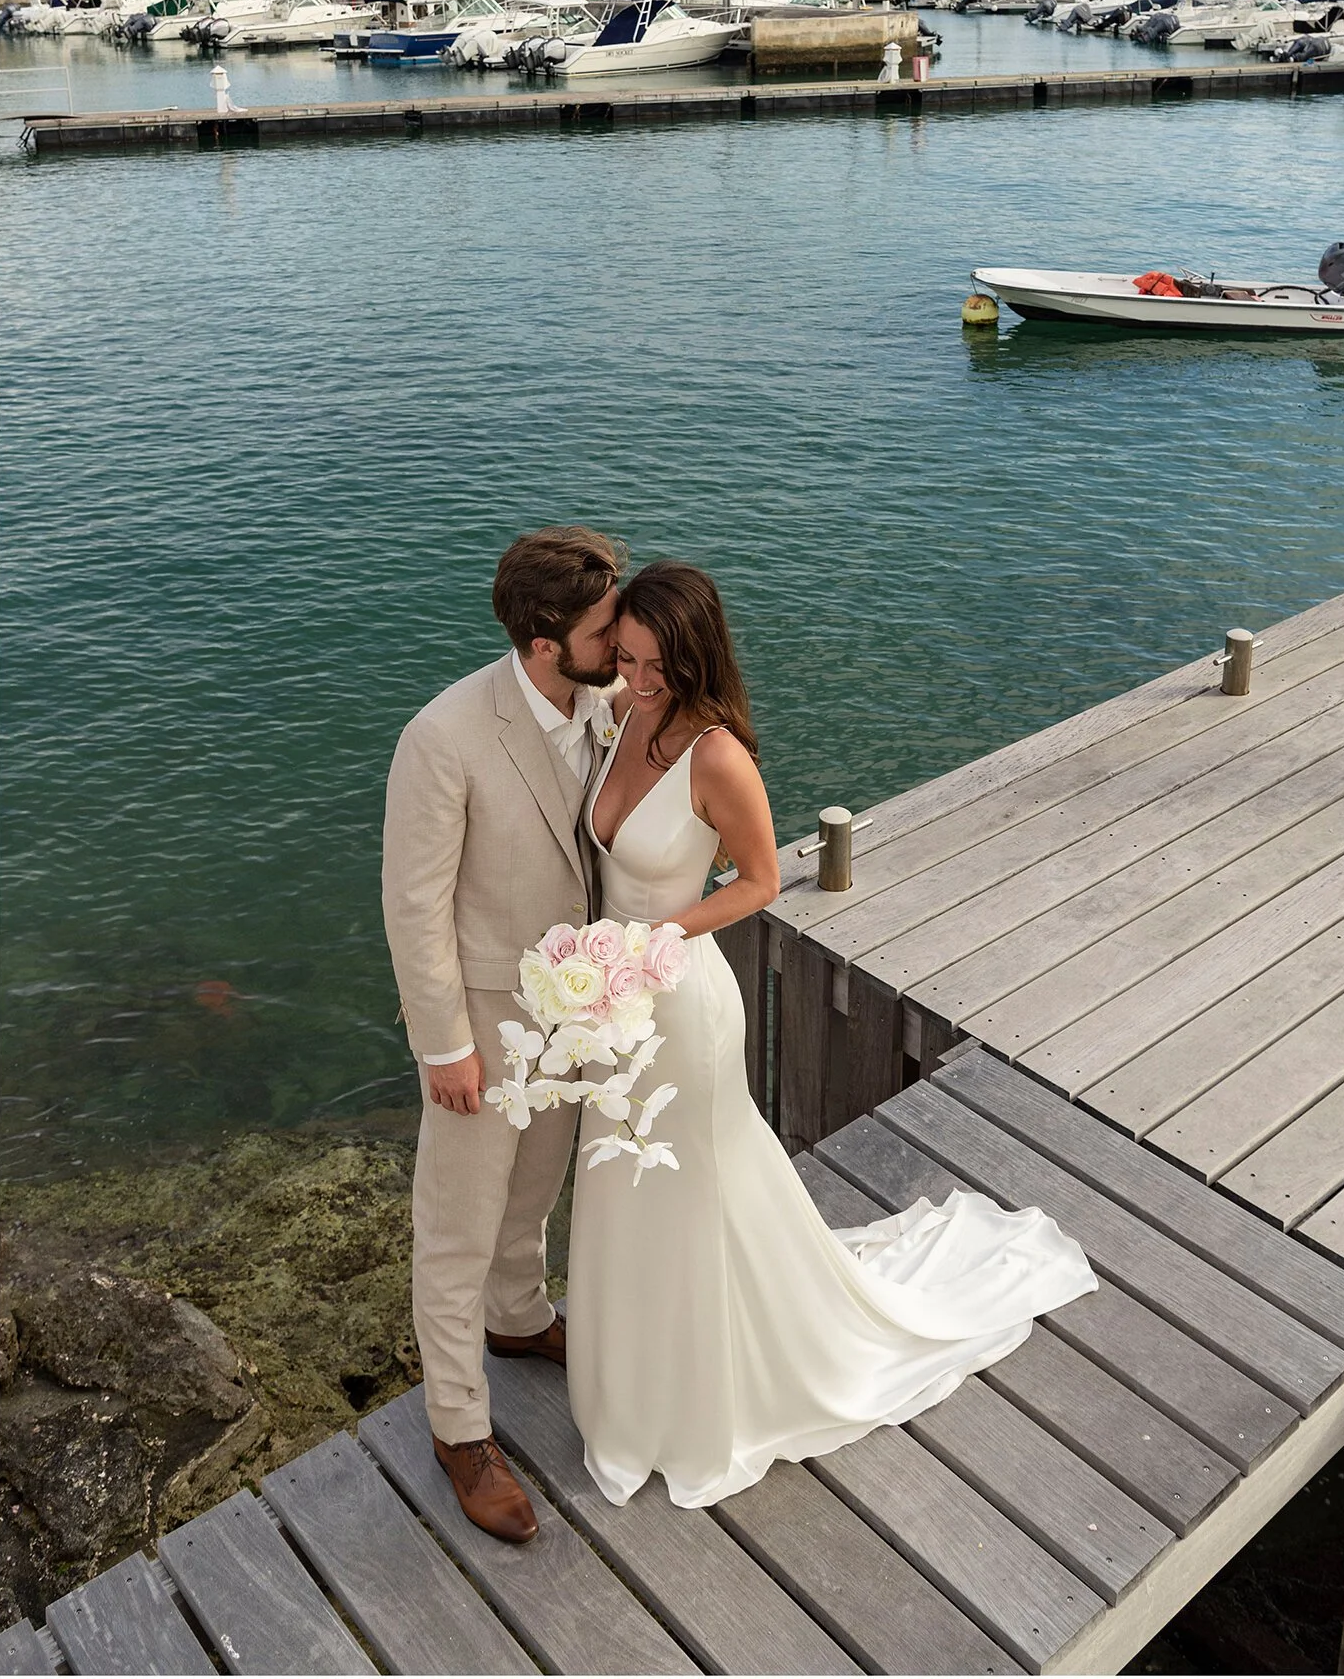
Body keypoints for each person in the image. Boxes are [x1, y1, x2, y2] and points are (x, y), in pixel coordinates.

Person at [567, 559, 1097, 1509]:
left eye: (653, 666)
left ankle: (696, 1401)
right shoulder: (618, 715)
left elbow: (760, 884)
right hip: (609, 1002)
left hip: (677, 1002)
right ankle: (629, 1387)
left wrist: (657, 935)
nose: (636, 681)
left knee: (685, 1193)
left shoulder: (717, 755)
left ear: (692, 657)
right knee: (618, 1186)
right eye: (627, 659)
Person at [383, 525, 625, 1542]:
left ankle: (518, 1316)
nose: (623, 639)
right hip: (485, 1018)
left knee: (536, 1183)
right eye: (606, 626)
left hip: (573, 1006)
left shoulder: (611, 700)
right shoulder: (443, 735)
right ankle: (457, 1428)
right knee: (456, 1226)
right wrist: (446, 1045)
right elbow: (413, 901)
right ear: (542, 639)